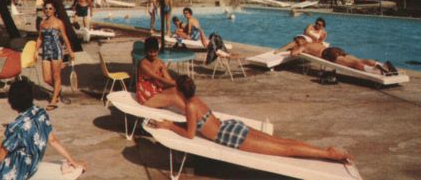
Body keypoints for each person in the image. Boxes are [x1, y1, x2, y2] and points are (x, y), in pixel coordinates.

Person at [148, 75, 353, 163]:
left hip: (229, 135)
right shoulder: (196, 100)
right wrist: (174, 124)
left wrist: (169, 126)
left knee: (284, 150)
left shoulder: (190, 107)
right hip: (231, 126)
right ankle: (324, 150)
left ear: (180, 92)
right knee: (281, 142)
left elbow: (190, 134)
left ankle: (328, 154)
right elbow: (196, 124)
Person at [35, 0, 74, 110]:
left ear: (54, 10)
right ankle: (58, 90)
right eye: (46, 8)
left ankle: (54, 100)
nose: (48, 10)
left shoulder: (59, 22)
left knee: (56, 76)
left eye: (50, 8)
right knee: (47, 78)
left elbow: (65, 37)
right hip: (46, 51)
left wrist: (70, 51)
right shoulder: (42, 23)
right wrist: (36, 51)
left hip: (56, 51)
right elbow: (40, 38)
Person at [287, 36, 397, 75]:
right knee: (359, 60)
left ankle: (378, 71)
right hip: (335, 49)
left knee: (354, 64)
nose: (297, 43)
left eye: (297, 41)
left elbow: (293, 54)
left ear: (301, 40)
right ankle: (382, 64)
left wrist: (294, 47)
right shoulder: (315, 42)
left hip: (328, 54)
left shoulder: (304, 46)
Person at [136, 37, 185, 112]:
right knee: (174, 98)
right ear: (146, 51)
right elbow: (159, 79)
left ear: (158, 50)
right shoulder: (143, 64)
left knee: (180, 91)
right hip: (146, 97)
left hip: (157, 91)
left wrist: (181, 85)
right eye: (150, 52)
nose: (153, 54)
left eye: (155, 51)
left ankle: (196, 111)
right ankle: (192, 115)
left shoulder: (159, 63)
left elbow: (168, 79)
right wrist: (180, 83)